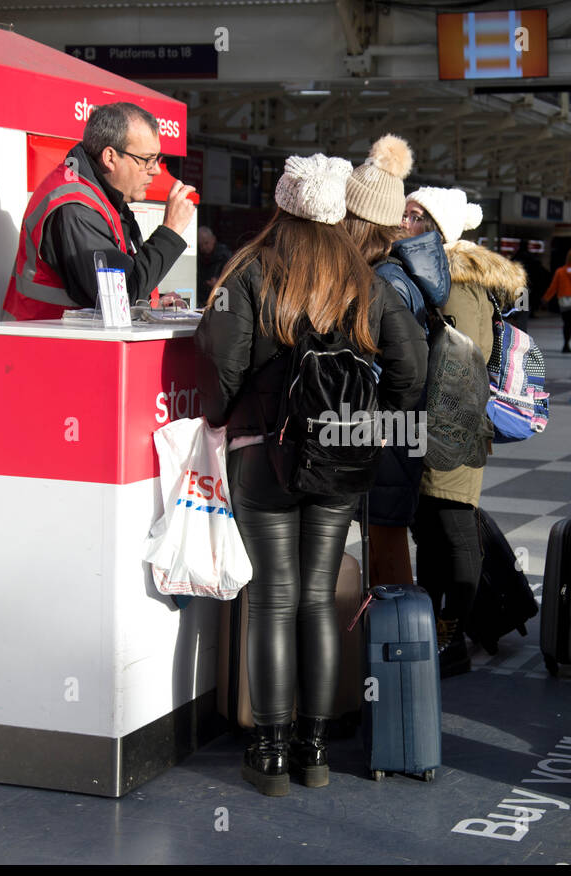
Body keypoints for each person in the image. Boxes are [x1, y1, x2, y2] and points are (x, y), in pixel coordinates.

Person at [194, 154, 427, 796]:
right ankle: (315, 749)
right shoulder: (367, 281)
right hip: (342, 458)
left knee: (273, 597)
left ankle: (268, 754)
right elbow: (413, 368)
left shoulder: (250, 270)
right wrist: (372, 424)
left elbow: (224, 370)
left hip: (263, 452)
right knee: (319, 597)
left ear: (285, 205)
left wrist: (223, 417)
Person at [402, 186, 525, 676]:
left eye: (415, 215)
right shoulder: (429, 273)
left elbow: (462, 359)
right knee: (431, 534)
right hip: (427, 427)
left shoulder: (457, 280)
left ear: (438, 229)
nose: (403, 221)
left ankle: (453, 634)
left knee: (455, 530)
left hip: (452, 430)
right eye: (405, 212)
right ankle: (436, 630)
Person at [340, 134, 451, 587]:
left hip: (386, 435)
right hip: (392, 433)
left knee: (386, 544)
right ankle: (388, 640)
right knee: (383, 538)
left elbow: (404, 368)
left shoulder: (384, 279)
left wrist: (372, 420)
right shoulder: (391, 274)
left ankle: (398, 646)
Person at [3, 102, 195, 320]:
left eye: (157, 159)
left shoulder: (99, 197)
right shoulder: (75, 208)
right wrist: (170, 232)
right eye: (147, 160)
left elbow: (120, 286)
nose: (156, 170)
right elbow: (118, 297)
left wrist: (150, 303)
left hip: (62, 345)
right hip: (44, 347)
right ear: (110, 157)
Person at [197, 226, 233, 307]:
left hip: (222, 300)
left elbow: (233, 279)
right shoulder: (198, 258)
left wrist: (219, 283)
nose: (204, 247)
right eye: (200, 245)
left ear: (213, 239)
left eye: (206, 243)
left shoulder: (225, 256)